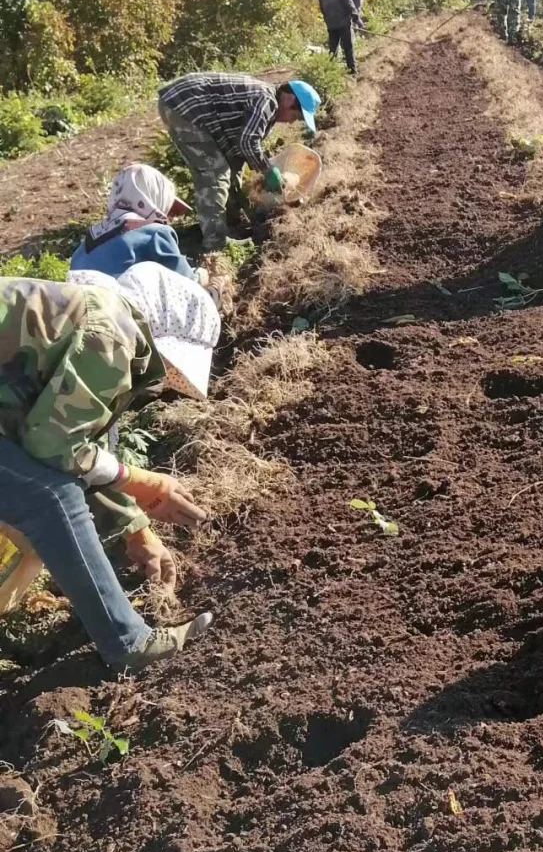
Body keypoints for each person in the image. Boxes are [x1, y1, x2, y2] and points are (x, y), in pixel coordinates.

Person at [0, 265, 218, 672]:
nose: (168, 384)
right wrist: (143, 483)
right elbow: (53, 448)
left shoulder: (81, 316)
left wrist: (135, 529)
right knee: (49, 497)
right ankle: (128, 642)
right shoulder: (114, 330)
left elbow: (68, 445)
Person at [157, 72, 321, 253]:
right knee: (214, 172)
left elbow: (238, 150)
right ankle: (215, 244)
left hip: (194, 110)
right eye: (296, 116)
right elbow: (247, 142)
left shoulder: (269, 107)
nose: (292, 122)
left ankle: (233, 222)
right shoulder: (267, 101)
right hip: (184, 106)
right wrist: (268, 170)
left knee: (231, 166)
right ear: (289, 99)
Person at [69, 165, 235, 316]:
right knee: (210, 295)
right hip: (130, 321)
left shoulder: (83, 247)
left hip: (89, 321)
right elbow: (187, 284)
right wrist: (203, 275)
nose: (169, 215)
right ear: (154, 197)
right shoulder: (154, 233)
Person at [316, 0, 359, 74]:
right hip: (344, 23)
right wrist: (354, 14)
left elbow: (322, 9)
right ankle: (352, 71)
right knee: (348, 48)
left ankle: (330, 73)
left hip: (331, 25)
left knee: (332, 50)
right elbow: (348, 1)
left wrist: (328, 20)